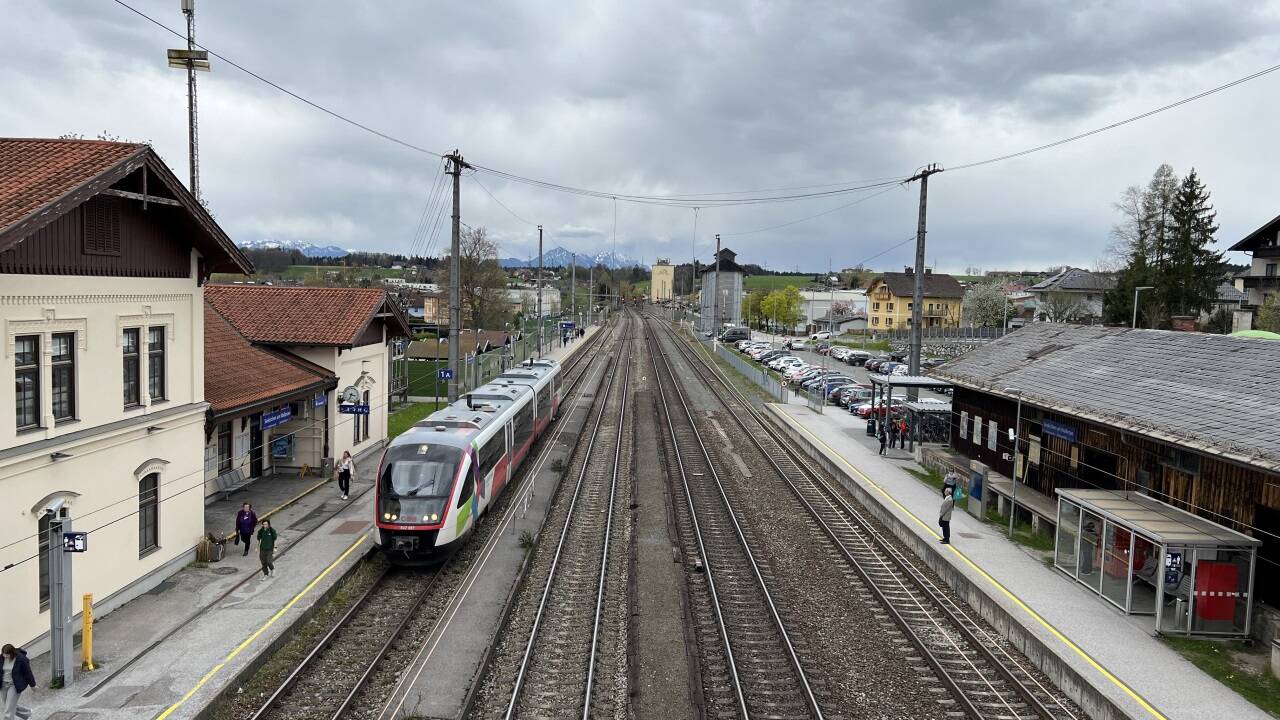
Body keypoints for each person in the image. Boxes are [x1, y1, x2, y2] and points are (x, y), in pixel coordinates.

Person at [1, 643, 36, 720]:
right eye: (3, 654)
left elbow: (28, 672)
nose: (5, 656)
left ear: (12, 653)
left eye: (7, 654)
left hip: (14, 685)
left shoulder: (21, 659)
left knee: (8, 710)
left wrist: (33, 685)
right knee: (9, 706)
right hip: (3, 685)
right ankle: (27, 713)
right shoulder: (2, 658)